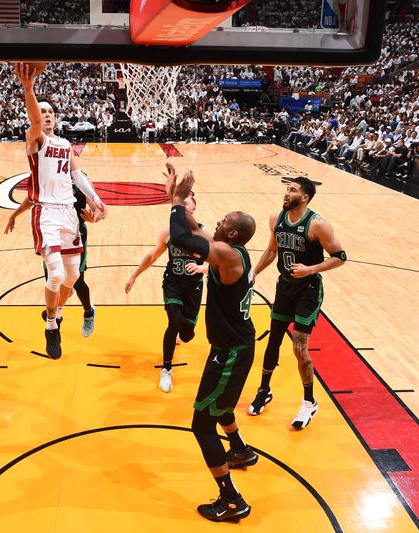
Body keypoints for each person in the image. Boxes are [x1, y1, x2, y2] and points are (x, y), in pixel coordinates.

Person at [166, 167, 257, 523]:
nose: (215, 222)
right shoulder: (234, 250)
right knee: (220, 405)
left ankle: (232, 500)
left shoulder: (227, 255)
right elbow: (192, 228)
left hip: (231, 352)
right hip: (234, 346)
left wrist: (177, 204)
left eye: (222, 221)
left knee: (202, 425)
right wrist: (175, 195)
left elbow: (183, 239)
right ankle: (239, 450)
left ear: (231, 231)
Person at [12, 62, 107, 359]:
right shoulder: (35, 140)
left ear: (58, 117)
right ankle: (51, 326)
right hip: (47, 213)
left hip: (69, 213)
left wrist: (94, 199)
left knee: (72, 277)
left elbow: (78, 175)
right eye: (43, 111)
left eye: (51, 111)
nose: (47, 114)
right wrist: (29, 89)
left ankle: (59, 311)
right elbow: (35, 122)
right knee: (54, 276)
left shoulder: (65, 144)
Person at [248, 177, 347, 428]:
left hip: (308, 290)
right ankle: (264, 390)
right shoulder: (276, 218)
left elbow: (340, 257)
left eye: (292, 190)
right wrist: (254, 272)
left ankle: (309, 401)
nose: (286, 193)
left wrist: (310, 269)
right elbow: (272, 250)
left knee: (299, 348)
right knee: (273, 341)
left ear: (304, 197)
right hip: (285, 287)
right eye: (286, 189)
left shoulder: (318, 225)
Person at [125, 179, 206, 393]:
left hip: (194, 287)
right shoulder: (168, 232)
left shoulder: (203, 234)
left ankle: (182, 334)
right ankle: (166, 369)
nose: (182, 211)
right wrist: (135, 275)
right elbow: (152, 256)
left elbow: (217, 261)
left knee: (187, 334)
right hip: (173, 282)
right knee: (174, 321)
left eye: (186, 207)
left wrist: (203, 269)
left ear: (193, 210)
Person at [6, 185, 100, 336]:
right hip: (52, 231)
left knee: (77, 279)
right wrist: (14, 215)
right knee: (53, 279)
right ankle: (55, 319)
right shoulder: (49, 176)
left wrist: (94, 218)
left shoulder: (79, 179)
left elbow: (98, 209)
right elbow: (33, 198)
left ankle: (88, 313)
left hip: (75, 232)